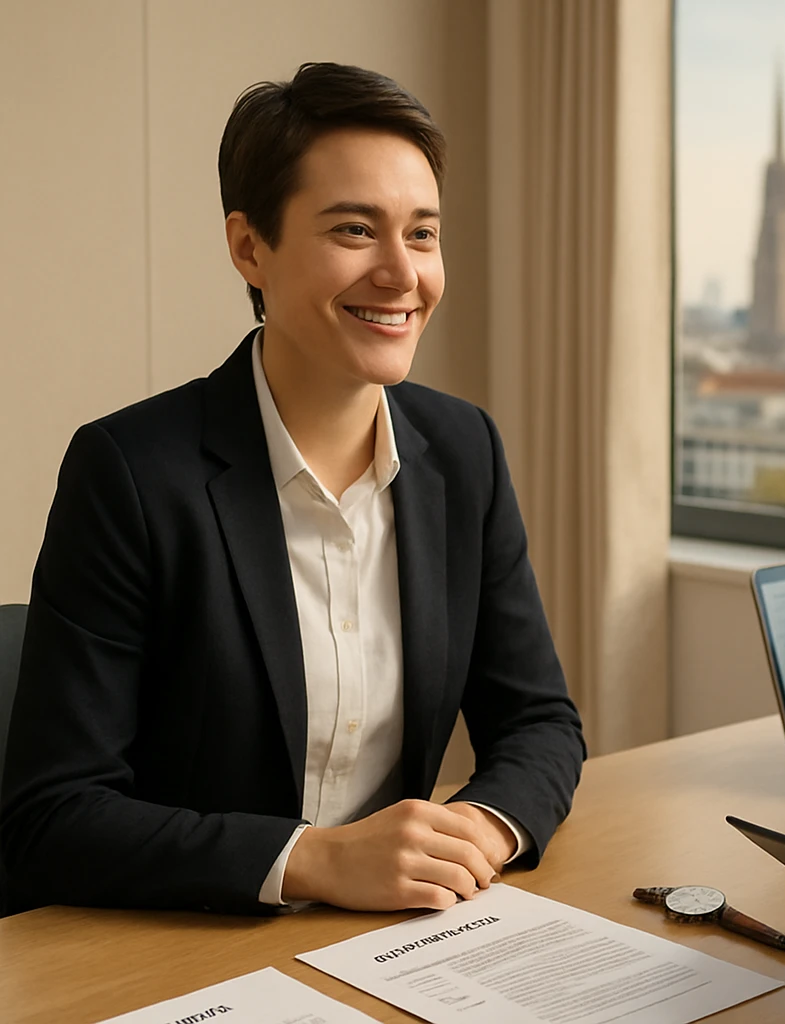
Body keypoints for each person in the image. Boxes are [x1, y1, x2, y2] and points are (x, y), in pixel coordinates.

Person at [0, 63, 585, 916]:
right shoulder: (129, 473)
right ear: (250, 247)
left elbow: (539, 722)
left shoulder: (465, 452)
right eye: (355, 230)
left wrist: (480, 831)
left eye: (422, 234)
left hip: (396, 940)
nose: (401, 274)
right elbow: (51, 817)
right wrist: (311, 861)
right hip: (184, 947)